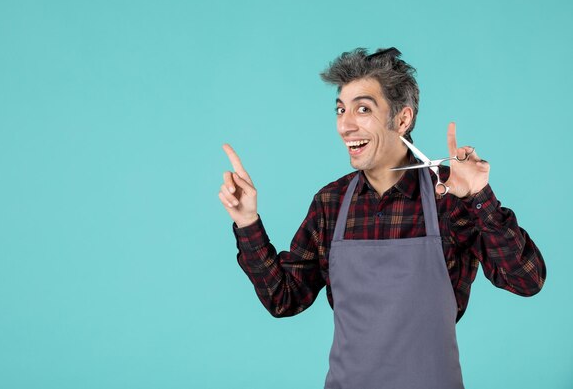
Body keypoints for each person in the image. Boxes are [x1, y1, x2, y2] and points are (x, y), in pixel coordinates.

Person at [217, 47, 546, 389]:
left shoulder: (449, 196)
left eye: (363, 109)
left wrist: (480, 197)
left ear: (402, 119)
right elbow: (283, 298)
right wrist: (247, 221)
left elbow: (526, 280)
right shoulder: (331, 203)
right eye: (341, 110)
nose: (345, 125)